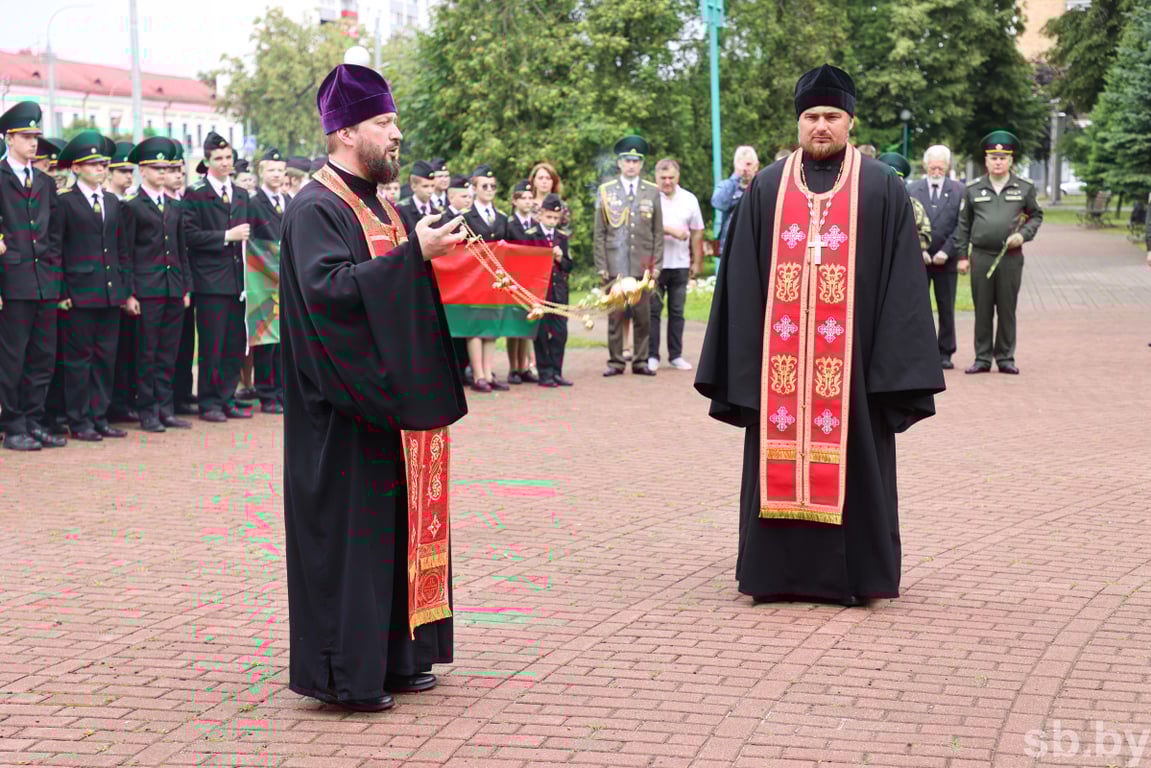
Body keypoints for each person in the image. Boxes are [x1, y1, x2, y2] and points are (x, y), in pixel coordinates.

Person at [694, 64, 945, 606]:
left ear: (850, 121)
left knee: (857, 465)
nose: (821, 127)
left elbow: (903, 288)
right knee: (771, 457)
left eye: (832, 116)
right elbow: (739, 286)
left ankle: (857, 576)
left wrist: (889, 375)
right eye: (811, 117)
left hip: (850, 375)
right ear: (798, 122)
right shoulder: (766, 188)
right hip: (780, 373)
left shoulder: (881, 188)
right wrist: (742, 368)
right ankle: (774, 575)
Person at [280, 61, 468, 713]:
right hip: (337, 409)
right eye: (385, 122)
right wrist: (408, 257)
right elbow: (331, 297)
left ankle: (397, 655)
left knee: (393, 531)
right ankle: (342, 673)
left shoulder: (380, 202)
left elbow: (397, 285)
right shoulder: (315, 209)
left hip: (385, 401)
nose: (397, 134)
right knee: (349, 538)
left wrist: (420, 259)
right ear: (344, 131)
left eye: (394, 120)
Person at [51, 131, 133, 442]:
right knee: (78, 360)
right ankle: (79, 418)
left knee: (104, 357)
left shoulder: (112, 202)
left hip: (109, 292)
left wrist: (124, 289)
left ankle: (99, 416)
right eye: (93, 164)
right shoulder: (65, 203)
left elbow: (120, 249)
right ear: (76, 168)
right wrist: (63, 291)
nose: (101, 168)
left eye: (103, 164)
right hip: (79, 293)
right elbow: (56, 248)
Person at [0, 101, 65, 451]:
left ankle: (34, 419)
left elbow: (54, 232)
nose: (33, 143)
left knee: (42, 356)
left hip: (44, 281)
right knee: (13, 357)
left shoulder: (43, 181)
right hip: (13, 281)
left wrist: (53, 271)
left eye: (36, 136)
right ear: (9, 139)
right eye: (26, 136)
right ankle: (12, 425)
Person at [952, 130, 1043, 375]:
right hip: (981, 256)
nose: (998, 162)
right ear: (987, 161)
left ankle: (1005, 357)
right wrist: (962, 256)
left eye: (1003, 157)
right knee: (982, 308)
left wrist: (1023, 235)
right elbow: (964, 225)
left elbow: (1036, 215)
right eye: (994, 157)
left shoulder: (1024, 188)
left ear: (1011, 160)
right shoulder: (973, 189)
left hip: (1010, 258)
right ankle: (982, 358)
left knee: (1006, 308)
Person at [123, 137, 192, 433]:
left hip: (172, 287)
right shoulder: (133, 206)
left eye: (166, 167)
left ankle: (165, 408)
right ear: (142, 169)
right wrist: (129, 292)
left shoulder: (174, 206)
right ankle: (147, 410)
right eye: (156, 167)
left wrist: (185, 287)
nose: (163, 172)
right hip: (147, 289)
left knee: (168, 352)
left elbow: (180, 249)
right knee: (147, 353)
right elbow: (125, 252)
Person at [183, 131, 252, 421]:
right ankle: (209, 401)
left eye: (228, 157)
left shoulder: (241, 193)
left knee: (234, 343)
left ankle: (226, 397)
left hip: (238, 280)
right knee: (212, 344)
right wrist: (226, 236)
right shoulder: (196, 193)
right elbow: (189, 235)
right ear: (207, 161)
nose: (225, 163)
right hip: (211, 281)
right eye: (219, 158)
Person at [594, 135, 663, 377]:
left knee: (643, 315)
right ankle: (615, 361)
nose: (631, 165)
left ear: (641, 164)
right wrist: (602, 265)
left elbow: (657, 233)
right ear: (619, 163)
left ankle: (641, 360)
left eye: (635, 160)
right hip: (616, 264)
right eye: (627, 160)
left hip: (643, 265)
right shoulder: (606, 191)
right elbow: (599, 233)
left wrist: (656, 266)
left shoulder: (652, 192)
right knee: (616, 315)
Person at [909, 145, 964, 369]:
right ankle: (919, 351)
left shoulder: (960, 190)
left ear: (948, 166)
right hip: (918, 260)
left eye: (940, 166)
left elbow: (962, 225)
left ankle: (945, 352)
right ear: (925, 166)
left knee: (946, 308)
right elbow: (908, 222)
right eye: (932, 166)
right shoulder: (912, 189)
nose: (936, 170)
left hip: (946, 260)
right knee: (918, 308)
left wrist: (946, 252)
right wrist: (919, 250)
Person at [246, 146, 290, 414]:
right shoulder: (253, 203)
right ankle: (266, 392)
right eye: (271, 170)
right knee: (266, 339)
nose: (276, 174)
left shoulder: (290, 200)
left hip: (286, 279)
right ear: (262, 172)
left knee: (285, 338)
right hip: (262, 279)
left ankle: (283, 389)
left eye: (280, 170)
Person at [650, 157, 704, 372]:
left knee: (677, 311)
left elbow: (698, 230)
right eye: (663, 178)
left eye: (671, 177)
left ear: (677, 177)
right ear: (656, 178)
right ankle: (652, 355)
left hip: (680, 264)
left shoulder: (689, 199)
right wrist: (670, 230)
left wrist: (697, 261)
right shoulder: (651, 198)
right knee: (653, 311)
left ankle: (676, 355)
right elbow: (645, 227)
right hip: (654, 264)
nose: (667, 182)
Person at [533, 193, 573, 387]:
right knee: (541, 333)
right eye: (549, 217)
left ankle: (557, 371)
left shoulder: (562, 238)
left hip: (559, 292)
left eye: (556, 218)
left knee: (560, 332)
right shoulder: (532, 235)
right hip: (540, 292)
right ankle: (544, 372)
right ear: (541, 215)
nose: (552, 221)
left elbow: (569, 265)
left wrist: (559, 258)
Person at [876, 153, 932, 253]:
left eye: (897, 177)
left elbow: (926, 237)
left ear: (902, 180)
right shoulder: (869, 202)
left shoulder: (915, 206)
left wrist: (900, 241)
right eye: (889, 177)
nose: (893, 181)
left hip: (904, 258)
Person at [711, 146, 759, 254]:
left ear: (756, 166)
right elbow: (718, 203)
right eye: (740, 164)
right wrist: (736, 177)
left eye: (748, 164)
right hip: (730, 248)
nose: (745, 169)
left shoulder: (761, 187)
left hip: (755, 247)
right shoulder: (726, 186)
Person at [395, 160, 441, 231]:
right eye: (425, 186)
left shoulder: (436, 212)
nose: (430, 191)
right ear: (413, 187)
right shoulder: (402, 210)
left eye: (432, 186)